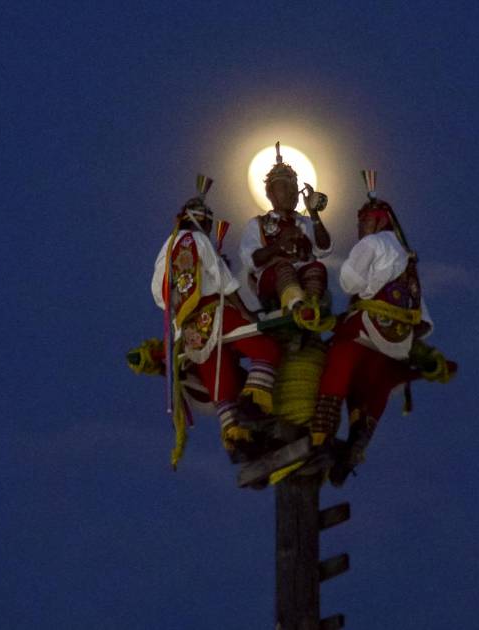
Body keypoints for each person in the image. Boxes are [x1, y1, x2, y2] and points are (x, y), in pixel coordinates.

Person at [308, 170, 454, 485]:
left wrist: (358, 293)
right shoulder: (409, 261)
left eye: (363, 222)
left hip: (367, 326)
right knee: (373, 383)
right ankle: (357, 441)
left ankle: (321, 437)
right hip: (398, 340)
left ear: (375, 222)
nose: (361, 229)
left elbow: (349, 281)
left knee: (336, 360)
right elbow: (422, 320)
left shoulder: (373, 243)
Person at [152, 175, 281, 461]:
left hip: (189, 332)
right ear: (202, 223)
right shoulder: (199, 240)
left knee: (221, 382)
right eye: (208, 225)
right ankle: (253, 401)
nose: (209, 230)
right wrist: (247, 314)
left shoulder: (166, 248)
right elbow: (224, 282)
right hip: (216, 313)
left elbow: (159, 294)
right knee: (267, 349)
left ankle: (236, 437)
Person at [238, 143, 332, 330]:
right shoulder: (257, 224)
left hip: (304, 279)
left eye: (294, 187)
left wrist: (314, 214)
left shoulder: (304, 222)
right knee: (284, 267)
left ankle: (311, 307)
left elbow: (324, 248)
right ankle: (295, 308)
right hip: (273, 284)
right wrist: (278, 245)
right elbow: (251, 261)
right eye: (285, 187)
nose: (291, 193)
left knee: (316, 267)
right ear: (270, 193)